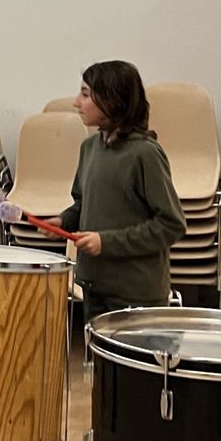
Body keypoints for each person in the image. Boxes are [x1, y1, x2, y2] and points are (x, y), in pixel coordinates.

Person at [52, 60, 186, 319]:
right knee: (98, 361)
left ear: (112, 100)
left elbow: (171, 225)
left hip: (135, 294)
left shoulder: (145, 154)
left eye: (85, 94)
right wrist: (63, 221)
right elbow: (83, 204)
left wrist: (107, 242)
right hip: (94, 284)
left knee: (130, 361)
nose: (76, 102)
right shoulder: (89, 148)